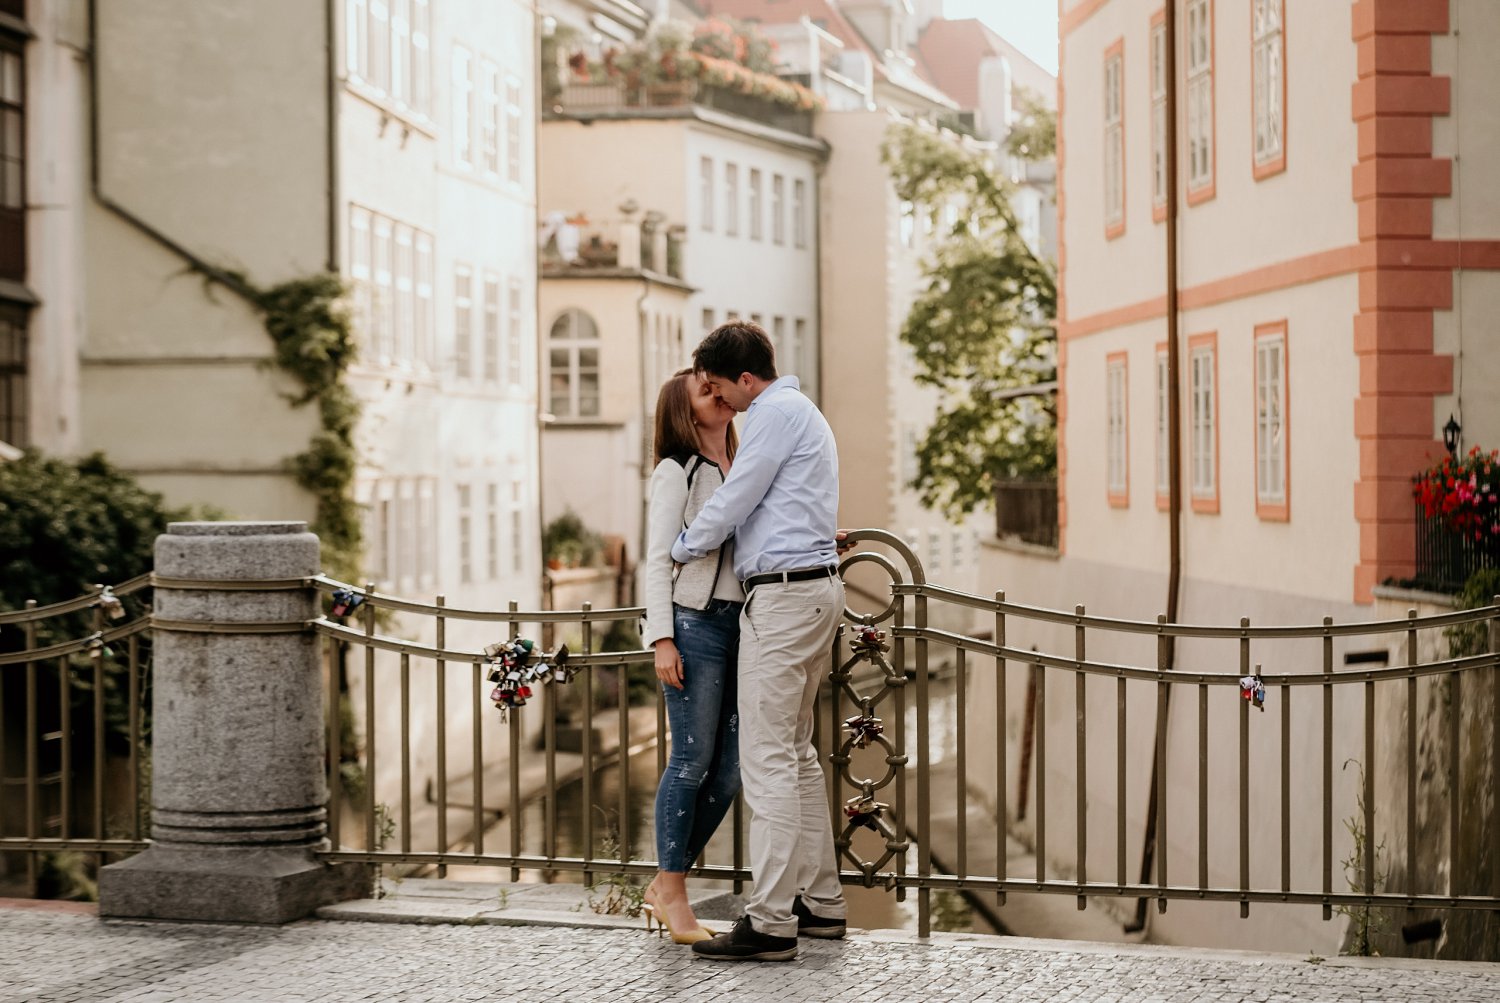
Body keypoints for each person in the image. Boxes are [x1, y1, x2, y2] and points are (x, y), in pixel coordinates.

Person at [670, 321, 848, 963]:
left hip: (784, 598)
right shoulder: (804, 412)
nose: (719, 400)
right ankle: (822, 903)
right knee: (796, 755)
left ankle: (771, 921)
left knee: (768, 758)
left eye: (719, 387)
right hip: (815, 588)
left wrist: (683, 545)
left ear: (746, 379)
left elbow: (738, 498)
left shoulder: (773, 414)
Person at [640, 368, 745, 945]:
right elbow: (657, 559)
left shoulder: (740, 461)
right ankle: (675, 894)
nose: (718, 394)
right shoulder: (674, 472)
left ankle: (664, 882)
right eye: (705, 392)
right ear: (685, 413)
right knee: (690, 761)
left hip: (741, 627)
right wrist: (662, 638)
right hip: (694, 626)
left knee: (729, 771)